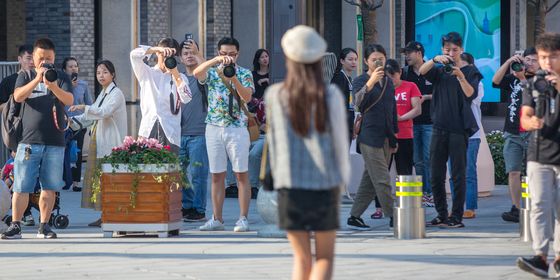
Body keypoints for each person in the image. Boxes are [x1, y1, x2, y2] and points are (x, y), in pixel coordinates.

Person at [266, 25, 350, 280]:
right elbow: (339, 142)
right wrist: (342, 182)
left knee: (301, 259)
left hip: (289, 185)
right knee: (324, 258)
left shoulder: (274, 94)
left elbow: (275, 142)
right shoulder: (331, 94)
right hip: (324, 185)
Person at [1, 38, 74, 240]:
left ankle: (44, 225)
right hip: (28, 140)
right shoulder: (25, 75)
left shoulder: (60, 77)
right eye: (41, 58)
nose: (45, 62)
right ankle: (15, 225)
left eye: (49, 58)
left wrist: (52, 86)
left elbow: (69, 100)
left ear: (54, 58)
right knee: (21, 186)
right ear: (33, 58)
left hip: (55, 141)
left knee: (50, 187)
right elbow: (17, 96)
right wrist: (37, 80)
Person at [419, 32, 481, 228]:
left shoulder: (471, 71)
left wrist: (461, 76)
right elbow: (421, 71)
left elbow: (470, 95)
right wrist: (435, 59)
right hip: (438, 127)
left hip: (458, 129)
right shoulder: (438, 69)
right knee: (435, 173)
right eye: (447, 50)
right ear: (442, 50)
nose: (451, 53)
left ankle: (457, 216)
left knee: (458, 174)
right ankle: (441, 213)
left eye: (455, 50)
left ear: (461, 49)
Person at [193, 37, 255, 232]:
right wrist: (215, 61)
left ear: (238, 54)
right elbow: (196, 73)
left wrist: (233, 77)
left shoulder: (244, 73)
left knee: (241, 174)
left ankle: (243, 218)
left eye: (232, 54)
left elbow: (247, 97)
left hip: (237, 128)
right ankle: (217, 218)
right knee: (216, 175)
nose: (228, 57)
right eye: (224, 53)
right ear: (219, 53)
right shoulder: (212, 72)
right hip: (213, 127)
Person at [516, 32, 560, 279]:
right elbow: (524, 115)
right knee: (540, 205)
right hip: (539, 153)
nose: (547, 63)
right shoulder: (533, 84)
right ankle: (541, 257)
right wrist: (530, 120)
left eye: (553, 57)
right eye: (543, 57)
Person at [70, 60, 127, 227]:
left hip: (110, 143)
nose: (101, 76)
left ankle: (112, 215)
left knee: (110, 179)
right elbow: (90, 116)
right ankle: (105, 215)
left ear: (113, 74)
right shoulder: (103, 94)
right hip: (99, 140)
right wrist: (71, 121)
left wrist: (84, 107)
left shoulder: (116, 94)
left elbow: (103, 112)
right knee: (100, 179)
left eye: (105, 72)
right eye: (98, 73)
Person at [346, 44, 397, 231]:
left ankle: (354, 216)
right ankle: (394, 216)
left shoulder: (389, 82)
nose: (378, 62)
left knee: (370, 179)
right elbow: (357, 103)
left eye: (381, 59)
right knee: (382, 178)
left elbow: (392, 110)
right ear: (366, 61)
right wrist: (371, 82)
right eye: (374, 59)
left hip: (386, 136)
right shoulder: (360, 80)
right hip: (368, 136)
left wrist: (394, 137)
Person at [492, 47, 539, 223]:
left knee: (534, 172)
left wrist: (523, 80)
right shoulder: (513, 78)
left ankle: (535, 206)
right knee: (513, 171)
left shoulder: (543, 80)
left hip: (534, 133)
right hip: (512, 131)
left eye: (534, 60)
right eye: (527, 60)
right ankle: (516, 207)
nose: (529, 63)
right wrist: (508, 62)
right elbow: (495, 81)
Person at [130, 38, 193, 154]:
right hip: (148, 130)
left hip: (170, 132)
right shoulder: (147, 73)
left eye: (171, 56)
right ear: (158, 55)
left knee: (169, 170)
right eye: (164, 55)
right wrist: (156, 49)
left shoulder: (180, 78)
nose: (167, 59)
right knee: (145, 170)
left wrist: (175, 74)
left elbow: (187, 98)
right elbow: (134, 55)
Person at [0, 44, 36, 226]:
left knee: (31, 174)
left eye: (33, 58)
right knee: (17, 174)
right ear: (20, 59)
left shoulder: (42, 80)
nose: (31, 62)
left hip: (36, 131)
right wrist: (13, 103)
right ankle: (21, 213)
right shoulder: (8, 82)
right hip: (16, 132)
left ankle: (27, 210)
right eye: (28, 58)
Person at [177, 38, 210, 222]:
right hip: (179, 133)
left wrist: (199, 56)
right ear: (180, 58)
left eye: (192, 52)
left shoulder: (203, 76)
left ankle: (199, 209)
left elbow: (208, 70)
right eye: (186, 53)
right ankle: (187, 205)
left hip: (200, 133)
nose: (189, 56)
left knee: (198, 174)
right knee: (178, 172)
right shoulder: (178, 79)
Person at [449, 53, 485, 219]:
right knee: (454, 172)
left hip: (472, 133)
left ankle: (470, 207)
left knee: (469, 171)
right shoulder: (448, 81)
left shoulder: (477, 83)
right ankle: (456, 207)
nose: (458, 69)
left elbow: (471, 98)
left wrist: (462, 79)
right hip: (453, 131)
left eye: (462, 66)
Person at [401, 41, 435, 207]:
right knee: (418, 160)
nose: (406, 56)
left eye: (409, 53)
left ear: (419, 53)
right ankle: (423, 193)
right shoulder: (404, 73)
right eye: (405, 53)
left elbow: (442, 92)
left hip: (430, 121)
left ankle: (430, 193)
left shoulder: (432, 70)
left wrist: (427, 97)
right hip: (411, 122)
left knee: (429, 158)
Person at [61, 57, 93, 192]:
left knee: (77, 153)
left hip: (79, 124)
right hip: (64, 125)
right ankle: (66, 179)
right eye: (70, 66)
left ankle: (75, 182)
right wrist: (69, 87)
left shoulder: (83, 85)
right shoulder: (60, 85)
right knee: (64, 153)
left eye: (75, 66)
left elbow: (90, 105)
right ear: (64, 70)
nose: (74, 69)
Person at [386, 58, 421, 175]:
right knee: (382, 172)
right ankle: (380, 194)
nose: (391, 79)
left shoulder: (411, 86)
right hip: (386, 136)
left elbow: (417, 109)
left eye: (393, 75)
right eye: (387, 76)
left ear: (400, 72)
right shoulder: (381, 89)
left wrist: (401, 118)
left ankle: (408, 194)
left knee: (406, 171)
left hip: (405, 135)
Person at [331, 48, 358, 143]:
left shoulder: (349, 78)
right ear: (342, 61)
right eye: (350, 59)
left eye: (355, 59)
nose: (353, 62)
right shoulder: (339, 78)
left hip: (348, 123)